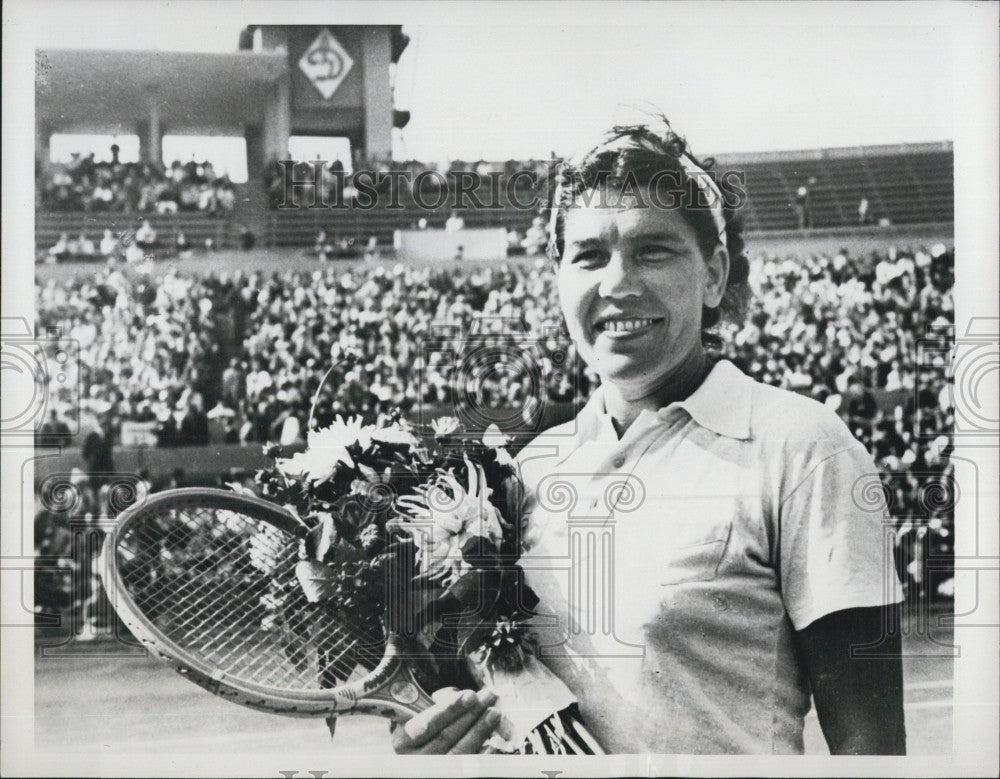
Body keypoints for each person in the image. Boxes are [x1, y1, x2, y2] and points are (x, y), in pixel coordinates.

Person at [395, 118, 905, 755]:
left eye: (653, 250)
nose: (617, 283)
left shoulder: (802, 447)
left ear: (715, 274)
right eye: (589, 255)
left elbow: (874, 751)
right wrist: (450, 741)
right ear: (557, 280)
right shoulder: (526, 474)